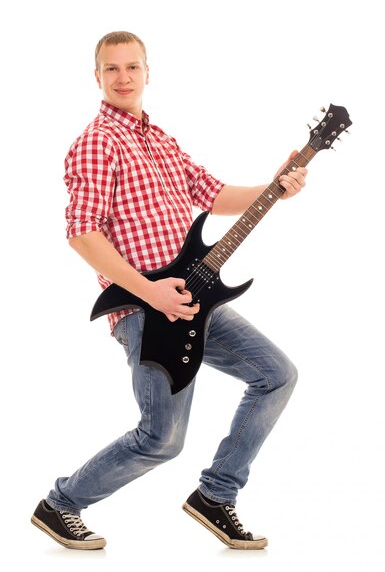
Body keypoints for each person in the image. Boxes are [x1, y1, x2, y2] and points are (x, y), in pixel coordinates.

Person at [31, 31, 307, 551]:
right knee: (161, 439)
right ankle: (60, 504)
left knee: (276, 374)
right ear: (97, 78)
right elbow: (82, 231)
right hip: (143, 309)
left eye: (132, 67)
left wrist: (276, 185)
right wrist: (151, 293)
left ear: (147, 72)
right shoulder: (97, 143)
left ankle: (216, 494)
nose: (123, 78)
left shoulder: (158, 139)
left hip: (197, 299)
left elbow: (214, 193)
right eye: (112, 69)